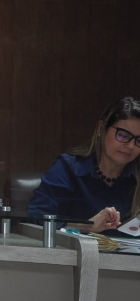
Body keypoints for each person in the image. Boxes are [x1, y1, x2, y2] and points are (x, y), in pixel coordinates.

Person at [28, 97, 140, 232]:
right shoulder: (68, 168)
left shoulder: (136, 177)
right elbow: (35, 217)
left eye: (139, 140)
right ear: (101, 128)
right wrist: (87, 226)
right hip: (72, 246)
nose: (131, 146)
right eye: (123, 135)